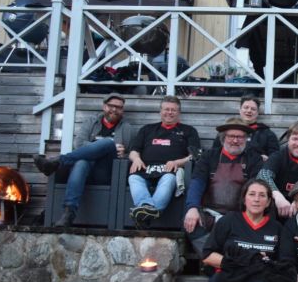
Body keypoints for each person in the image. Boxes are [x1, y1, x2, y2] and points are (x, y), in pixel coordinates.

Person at [34, 93, 136, 227]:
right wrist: (97, 147)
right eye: (111, 106)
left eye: (119, 107)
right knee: (82, 162)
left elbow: (134, 153)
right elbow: (79, 144)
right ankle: (69, 213)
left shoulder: (127, 128)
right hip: (85, 170)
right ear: (104, 107)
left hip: (106, 172)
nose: (115, 109)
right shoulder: (91, 122)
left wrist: (124, 154)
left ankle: (58, 162)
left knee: (108, 143)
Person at [184, 118, 263, 257]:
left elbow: (255, 188)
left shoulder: (254, 159)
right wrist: (192, 208)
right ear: (223, 138)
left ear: (246, 139)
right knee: (191, 224)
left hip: (239, 215)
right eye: (231, 136)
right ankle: (214, 259)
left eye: (240, 137)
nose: (235, 140)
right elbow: (197, 183)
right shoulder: (209, 156)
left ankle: (225, 261)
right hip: (210, 214)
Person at [127, 96, 200, 227]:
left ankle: (145, 213)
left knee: (169, 178)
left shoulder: (189, 131)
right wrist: (136, 159)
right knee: (133, 178)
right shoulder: (147, 129)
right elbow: (133, 151)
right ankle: (147, 207)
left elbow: (194, 156)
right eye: (166, 109)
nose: (169, 112)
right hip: (145, 170)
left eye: (173, 110)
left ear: (179, 113)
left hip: (169, 171)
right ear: (160, 111)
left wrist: (177, 162)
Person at [214, 95, 279, 160]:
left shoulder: (268, 134)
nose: (249, 111)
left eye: (253, 109)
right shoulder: (226, 131)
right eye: (246, 107)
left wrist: (268, 159)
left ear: (257, 112)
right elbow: (214, 154)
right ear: (240, 110)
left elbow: (276, 157)